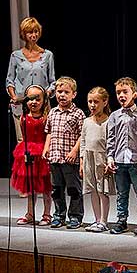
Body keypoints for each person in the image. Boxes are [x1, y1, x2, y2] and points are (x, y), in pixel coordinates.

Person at [106, 77, 137, 235]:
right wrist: (110, 157)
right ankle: (121, 220)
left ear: (134, 94)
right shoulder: (114, 116)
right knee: (121, 194)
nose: (121, 95)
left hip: (136, 161)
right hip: (119, 161)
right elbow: (110, 139)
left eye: (125, 92)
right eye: (118, 92)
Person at [42, 76, 85, 229]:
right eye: (59, 91)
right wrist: (46, 148)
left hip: (69, 159)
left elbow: (82, 135)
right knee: (56, 189)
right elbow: (49, 132)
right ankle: (59, 215)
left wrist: (75, 151)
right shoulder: (52, 112)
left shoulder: (78, 113)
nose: (62, 95)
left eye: (66, 92)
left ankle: (75, 216)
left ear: (74, 94)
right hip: (54, 157)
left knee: (73, 189)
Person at [6, 17, 56, 144]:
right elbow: (9, 80)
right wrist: (14, 97)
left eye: (36, 31)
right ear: (24, 34)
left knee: (43, 140)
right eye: (30, 32)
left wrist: (46, 95)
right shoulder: (15, 55)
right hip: (22, 104)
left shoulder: (47, 55)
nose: (33, 35)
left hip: (42, 105)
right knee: (23, 141)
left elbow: (52, 81)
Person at [11, 85, 52, 226]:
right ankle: (30, 213)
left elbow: (48, 136)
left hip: (42, 154)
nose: (33, 102)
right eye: (30, 99)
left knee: (46, 187)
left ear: (44, 100)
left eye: (37, 98)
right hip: (28, 154)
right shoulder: (23, 118)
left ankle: (47, 214)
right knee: (30, 187)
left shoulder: (47, 117)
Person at [80, 87, 116, 233]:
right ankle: (96, 219)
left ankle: (103, 221)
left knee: (102, 190)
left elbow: (112, 143)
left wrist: (109, 160)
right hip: (89, 158)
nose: (92, 105)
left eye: (96, 102)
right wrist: (82, 162)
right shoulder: (87, 121)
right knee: (93, 190)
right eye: (90, 102)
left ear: (105, 102)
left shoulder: (109, 122)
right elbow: (83, 141)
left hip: (102, 159)